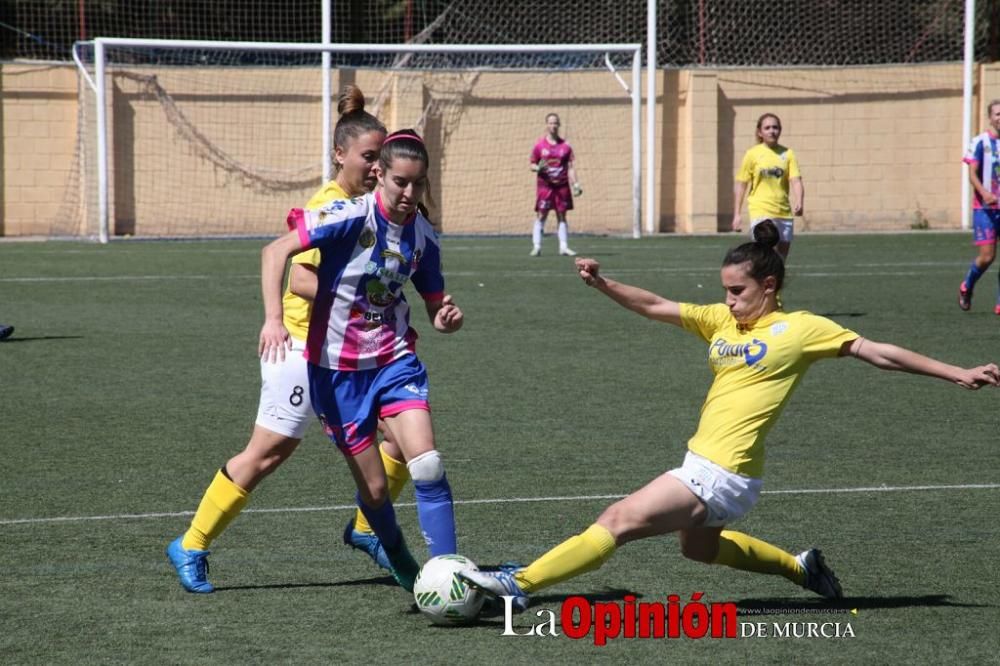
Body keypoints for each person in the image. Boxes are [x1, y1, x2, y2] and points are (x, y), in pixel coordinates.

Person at [461, 221, 999, 609]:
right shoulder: (723, 321)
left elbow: (877, 352)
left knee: (617, 520)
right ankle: (801, 567)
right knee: (699, 551)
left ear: (770, 288)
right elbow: (657, 306)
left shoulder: (801, 329)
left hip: (721, 471)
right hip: (717, 467)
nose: (729, 300)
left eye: (738, 291)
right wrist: (604, 284)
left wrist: (955, 372)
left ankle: (520, 585)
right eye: (724, 290)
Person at [167, 86, 416, 594]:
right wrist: (278, 316)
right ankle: (191, 543)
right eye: (369, 157)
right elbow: (301, 277)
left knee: (400, 439)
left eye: (380, 158)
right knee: (269, 452)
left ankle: (367, 531)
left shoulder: (375, 205)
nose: (376, 167)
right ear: (340, 155)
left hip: (353, 351)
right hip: (306, 347)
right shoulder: (329, 204)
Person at [258, 128, 464, 595]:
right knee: (373, 493)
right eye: (400, 182)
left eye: (418, 184)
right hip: (336, 374)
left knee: (427, 464)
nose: (410, 194)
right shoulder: (348, 216)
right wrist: (273, 319)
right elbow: (275, 254)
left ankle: (449, 570)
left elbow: (436, 310)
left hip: (394, 360)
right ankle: (402, 561)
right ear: (380, 175)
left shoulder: (424, 237)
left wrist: (447, 317)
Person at [732, 113, 803, 259]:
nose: (772, 131)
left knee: (780, 260)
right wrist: (737, 214)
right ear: (760, 132)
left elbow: (796, 180)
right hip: (760, 211)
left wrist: (800, 201)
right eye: (767, 128)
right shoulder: (752, 154)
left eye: (775, 127)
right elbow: (741, 183)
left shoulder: (788, 154)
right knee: (764, 255)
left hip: (783, 212)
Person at [958, 99, 1000, 314]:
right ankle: (967, 286)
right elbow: (972, 173)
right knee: (987, 257)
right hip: (985, 209)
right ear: (990, 118)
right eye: (998, 114)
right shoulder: (979, 142)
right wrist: (984, 193)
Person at [529, 112, 582, 257]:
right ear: (547, 125)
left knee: (562, 215)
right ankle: (537, 246)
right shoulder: (540, 146)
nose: (553, 125)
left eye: (555, 123)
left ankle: (563, 247)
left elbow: (570, 167)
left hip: (562, 186)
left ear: (559, 125)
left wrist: (575, 184)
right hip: (545, 187)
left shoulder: (565, 146)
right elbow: (532, 164)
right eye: (550, 123)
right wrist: (537, 168)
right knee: (541, 215)